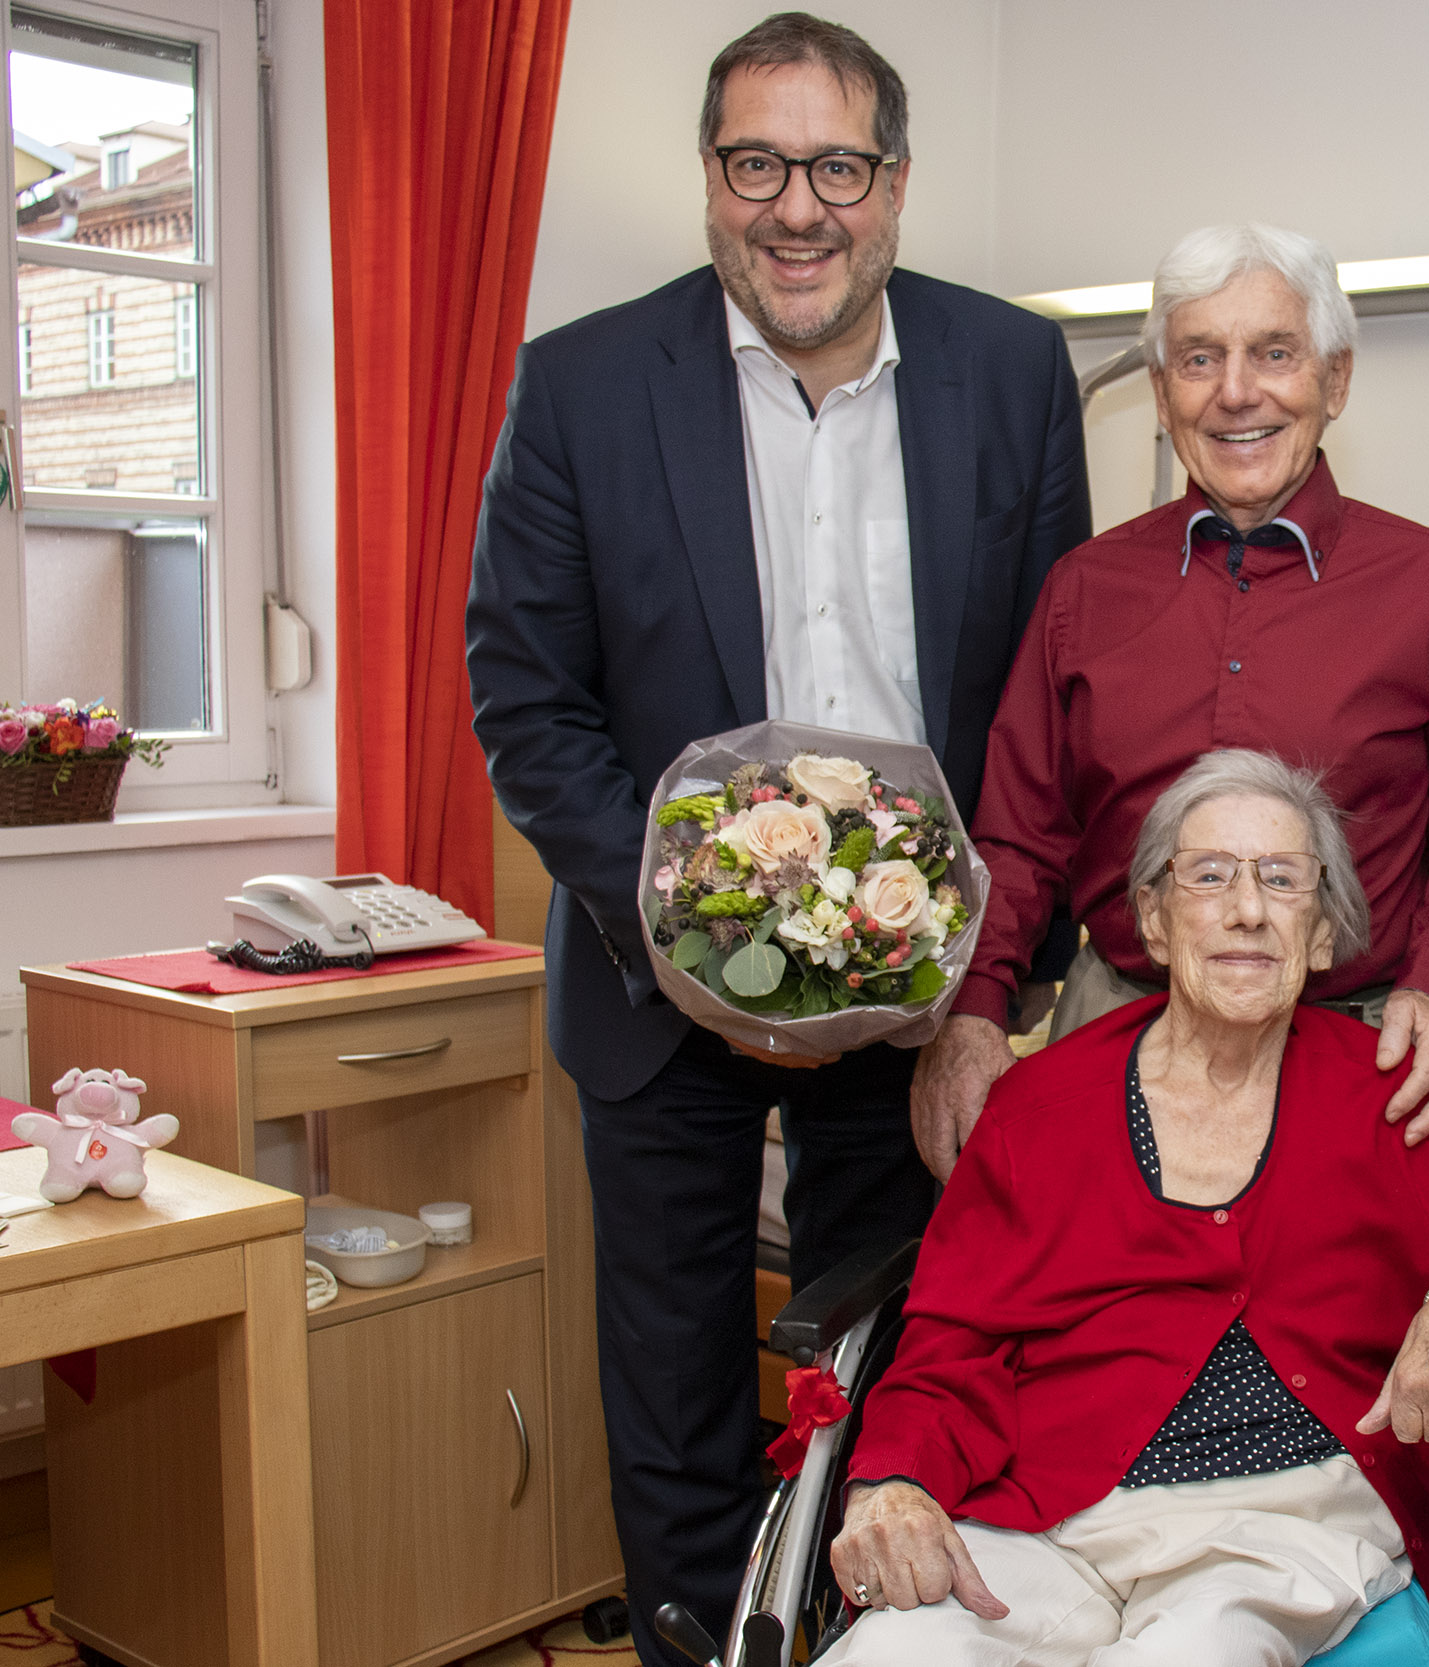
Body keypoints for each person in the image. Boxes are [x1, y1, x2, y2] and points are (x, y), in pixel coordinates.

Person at [463, 16, 1088, 1656]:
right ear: (711, 180)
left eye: (833, 167)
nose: (794, 208)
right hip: (658, 988)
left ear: (891, 183)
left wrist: (985, 984)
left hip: (918, 988)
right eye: (757, 164)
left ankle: (868, 1644)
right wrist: (682, 930)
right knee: (673, 1392)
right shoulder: (584, 383)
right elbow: (531, 703)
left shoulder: (1013, 372)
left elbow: (1045, 707)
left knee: (894, 1368)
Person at [823, 750, 1429, 1663]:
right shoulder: (1041, 1106)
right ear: (1153, 917)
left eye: (1283, 878)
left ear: (1321, 932)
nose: (1247, 908)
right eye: (1209, 875)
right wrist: (892, 1480)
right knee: (895, 1653)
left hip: (1285, 1523)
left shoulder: (1391, 1102)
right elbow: (948, 1346)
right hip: (1054, 1514)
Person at [910, 223, 1429, 1182]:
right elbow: (1016, 841)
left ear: (1335, 381)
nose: (1235, 392)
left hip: (1354, 1047)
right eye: (1198, 358)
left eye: (1274, 353)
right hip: (1116, 1027)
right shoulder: (1083, 590)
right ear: (1161, 391)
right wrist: (972, 1015)